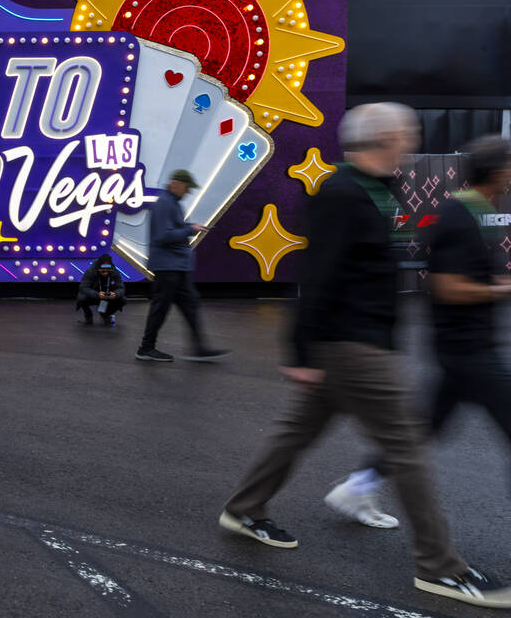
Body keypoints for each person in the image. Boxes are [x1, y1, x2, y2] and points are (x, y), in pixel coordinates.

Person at [218, 103, 511, 609]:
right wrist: (301, 349)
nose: (413, 139)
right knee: (407, 449)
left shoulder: (379, 189)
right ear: (385, 137)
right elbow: (319, 274)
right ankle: (441, 568)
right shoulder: (342, 192)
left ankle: (243, 509)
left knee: (298, 431)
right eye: (406, 132)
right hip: (352, 344)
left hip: (357, 340)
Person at [325, 134, 511, 530]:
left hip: (464, 349)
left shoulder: (473, 211)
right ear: (497, 172)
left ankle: (357, 486)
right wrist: (501, 288)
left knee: (421, 428)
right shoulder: (459, 216)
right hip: (468, 350)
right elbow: (447, 286)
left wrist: (491, 281)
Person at [134, 169, 227, 362]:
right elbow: (163, 235)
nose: (187, 192)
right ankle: (146, 348)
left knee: (189, 306)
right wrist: (189, 229)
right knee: (161, 308)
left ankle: (199, 348)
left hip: (176, 266)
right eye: (186, 188)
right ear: (175, 183)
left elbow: (171, 231)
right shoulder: (165, 204)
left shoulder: (171, 203)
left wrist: (190, 228)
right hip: (168, 266)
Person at [75, 255, 125, 326]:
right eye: (103, 271)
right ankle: (88, 315)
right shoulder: (90, 271)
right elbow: (83, 287)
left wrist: (115, 294)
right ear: (98, 268)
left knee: (123, 299)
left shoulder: (115, 272)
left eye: (108, 271)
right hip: (94, 296)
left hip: (108, 297)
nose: (105, 273)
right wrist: (97, 294)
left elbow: (121, 288)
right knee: (81, 298)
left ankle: (106, 314)